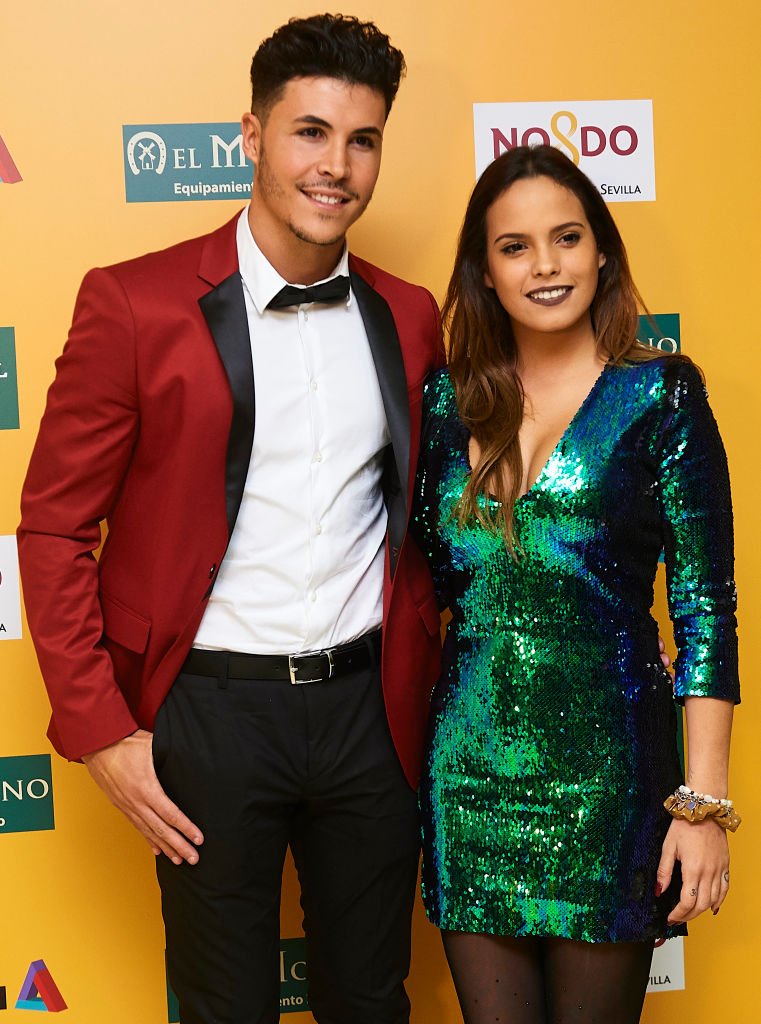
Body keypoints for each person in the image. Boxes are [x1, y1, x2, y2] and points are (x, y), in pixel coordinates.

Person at [17, 14, 444, 1024]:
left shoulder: (411, 312)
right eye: (308, 132)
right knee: (222, 1008)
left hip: (368, 710)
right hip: (208, 717)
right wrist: (100, 729)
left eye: (361, 139)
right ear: (250, 135)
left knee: (373, 998)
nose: (334, 165)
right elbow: (51, 530)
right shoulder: (131, 305)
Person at [412, 145, 740, 1024]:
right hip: (467, 780)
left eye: (566, 237)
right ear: (484, 270)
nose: (545, 264)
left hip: (610, 782)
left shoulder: (660, 395)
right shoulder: (444, 404)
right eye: (514, 246)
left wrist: (701, 808)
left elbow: (705, 609)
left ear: (602, 251)